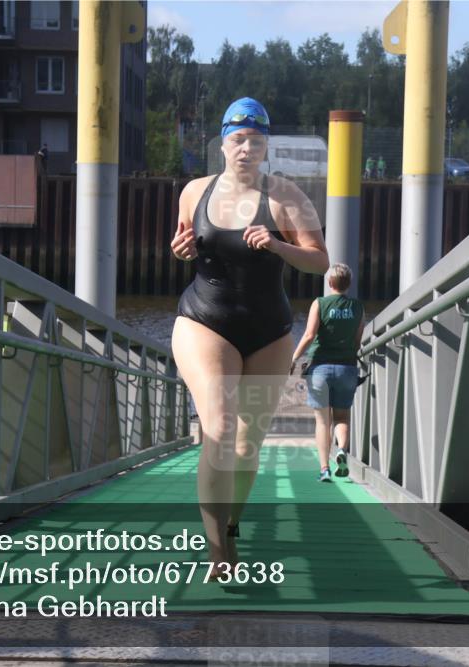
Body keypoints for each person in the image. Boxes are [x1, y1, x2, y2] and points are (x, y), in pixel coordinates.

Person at [170, 97, 329, 576]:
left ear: (266, 148)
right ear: (223, 143)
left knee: (246, 445)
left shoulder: (287, 197)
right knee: (217, 429)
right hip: (204, 319)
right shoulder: (195, 191)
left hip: (267, 330)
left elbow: (320, 260)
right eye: (238, 140)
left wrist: (278, 243)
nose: (246, 149)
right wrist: (178, 251)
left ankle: (232, 524)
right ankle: (220, 551)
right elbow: (185, 243)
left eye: (256, 141)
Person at [290, 264, 366, 482]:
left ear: (330, 283)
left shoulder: (320, 303)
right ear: (348, 284)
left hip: (320, 369)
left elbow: (308, 335)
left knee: (322, 422)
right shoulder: (358, 307)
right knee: (341, 418)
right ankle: (341, 450)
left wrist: (294, 358)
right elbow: (357, 340)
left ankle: (324, 469)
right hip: (346, 369)